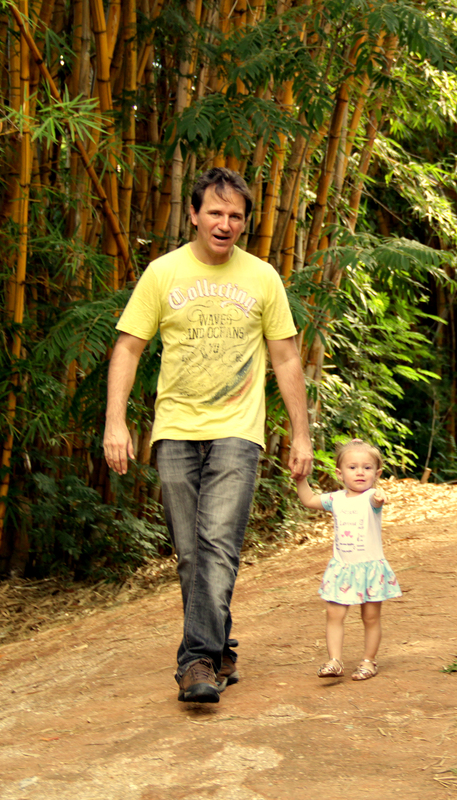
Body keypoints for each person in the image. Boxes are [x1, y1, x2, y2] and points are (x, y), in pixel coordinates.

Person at [104, 167, 312, 704]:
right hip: (174, 429)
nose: (225, 223)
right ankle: (218, 647)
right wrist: (115, 420)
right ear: (193, 214)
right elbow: (128, 347)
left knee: (218, 544)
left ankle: (194, 662)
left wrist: (300, 433)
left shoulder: (263, 277)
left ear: (246, 222)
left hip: (239, 431)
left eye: (235, 216)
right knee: (193, 553)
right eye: (214, 213)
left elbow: (286, 355)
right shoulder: (162, 273)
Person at [296, 438, 401, 681]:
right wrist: (301, 480)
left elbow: (377, 500)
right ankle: (334, 660)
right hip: (341, 568)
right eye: (352, 467)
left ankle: (369, 661)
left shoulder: (372, 496)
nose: (360, 472)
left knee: (370, 617)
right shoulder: (335, 499)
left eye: (367, 467)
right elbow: (309, 500)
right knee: (334, 614)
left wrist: (380, 497)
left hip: (370, 569)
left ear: (377, 473)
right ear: (339, 473)